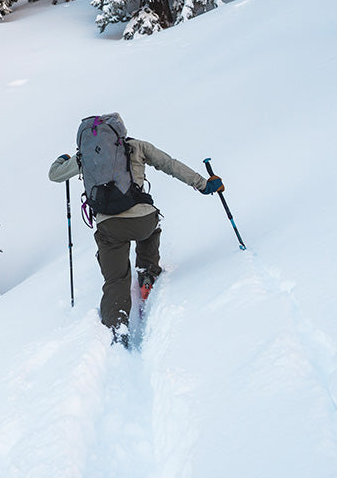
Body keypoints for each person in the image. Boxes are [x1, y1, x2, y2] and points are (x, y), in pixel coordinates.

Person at [48, 113, 223, 343]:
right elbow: (170, 164)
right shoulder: (136, 146)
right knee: (152, 226)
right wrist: (204, 184)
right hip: (142, 221)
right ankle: (147, 272)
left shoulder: (85, 158)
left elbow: (55, 175)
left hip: (109, 227)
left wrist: (61, 160)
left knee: (116, 280)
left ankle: (116, 330)